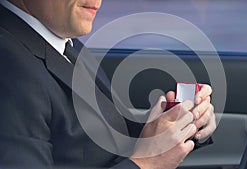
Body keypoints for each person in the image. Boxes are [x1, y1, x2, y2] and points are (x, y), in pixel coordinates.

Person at [0, 0, 216, 168]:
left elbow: (107, 139)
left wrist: (182, 125)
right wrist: (147, 163)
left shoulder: (64, 44)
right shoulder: (9, 67)